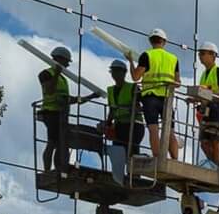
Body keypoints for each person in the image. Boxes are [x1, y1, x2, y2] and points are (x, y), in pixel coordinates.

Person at [36, 45, 90, 173]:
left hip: (61, 115)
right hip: (51, 113)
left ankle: (59, 169)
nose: (67, 65)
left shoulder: (63, 79)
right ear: (59, 59)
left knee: (60, 144)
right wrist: (57, 73)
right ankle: (47, 171)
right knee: (52, 142)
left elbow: (67, 99)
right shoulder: (46, 74)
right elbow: (49, 91)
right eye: (66, 61)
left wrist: (90, 97)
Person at [130, 28, 181, 161]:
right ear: (164, 41)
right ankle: (175, 159)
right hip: (167, 99)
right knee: (170, 131)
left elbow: (135, 77)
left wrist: (130, 61)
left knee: (153, 129)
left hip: (150, 97)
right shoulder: (173, 59)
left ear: (151, 41)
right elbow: (178, 82)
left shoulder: (147, 55)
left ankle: (157, 158)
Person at [193, 41, 219, 168]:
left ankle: (217, 167)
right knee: (204, 142)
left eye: (203, 54)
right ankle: (215, 166)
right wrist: (195, 99)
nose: (200, 56)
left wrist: (210, 95)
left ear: (212, 55)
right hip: (207, 112)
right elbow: (205, 94)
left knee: (215, 140)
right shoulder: (204, 74)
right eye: (200, 54)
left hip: (217, 111)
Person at [101, 59, 142, 183]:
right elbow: (112, 110)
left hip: (134, 126)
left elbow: (141, 105)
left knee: (131, 153)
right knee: (117, 153)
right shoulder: (110, 90)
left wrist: (133, 108)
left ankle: (134, 177)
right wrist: (107, 124)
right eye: (113, 71)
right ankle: (118, 177)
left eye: (117, 71)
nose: (115, 74)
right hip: (119, 126)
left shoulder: (133, 87)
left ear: (124, 73)